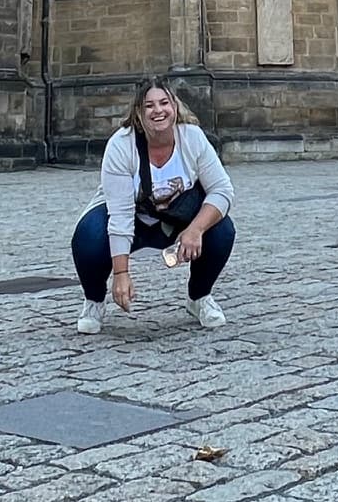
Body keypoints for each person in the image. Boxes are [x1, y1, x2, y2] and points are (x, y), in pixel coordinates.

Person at [70, 78, 237, 334]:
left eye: (164, 103)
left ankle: (199, 297)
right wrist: (121, 273)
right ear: (139, 113)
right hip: (133, 218)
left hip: (178, 218)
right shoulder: (121, 145)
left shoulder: (192, 138)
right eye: (149, 106)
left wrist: (196, 230)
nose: (158, 111)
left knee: (222, 229)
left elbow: (222, 190)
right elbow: (120, 215)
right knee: (89, 234)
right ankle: (93, 301)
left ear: (175, 107)